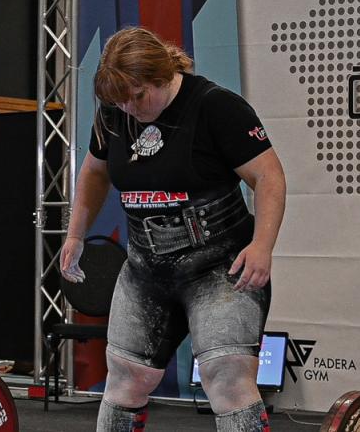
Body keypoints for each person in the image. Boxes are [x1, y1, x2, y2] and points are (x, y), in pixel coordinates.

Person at [60, 26, 286, 432]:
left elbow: (269, 177)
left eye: (137, 96)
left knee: (228, 378)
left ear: (161, 75)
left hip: (220, 268)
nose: (128, 108)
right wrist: (75, 234)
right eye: (119, 101)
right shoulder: (115, 112)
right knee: (125, 379)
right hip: (146, 270)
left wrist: (262, 246)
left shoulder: (217, 107)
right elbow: (94, 172)